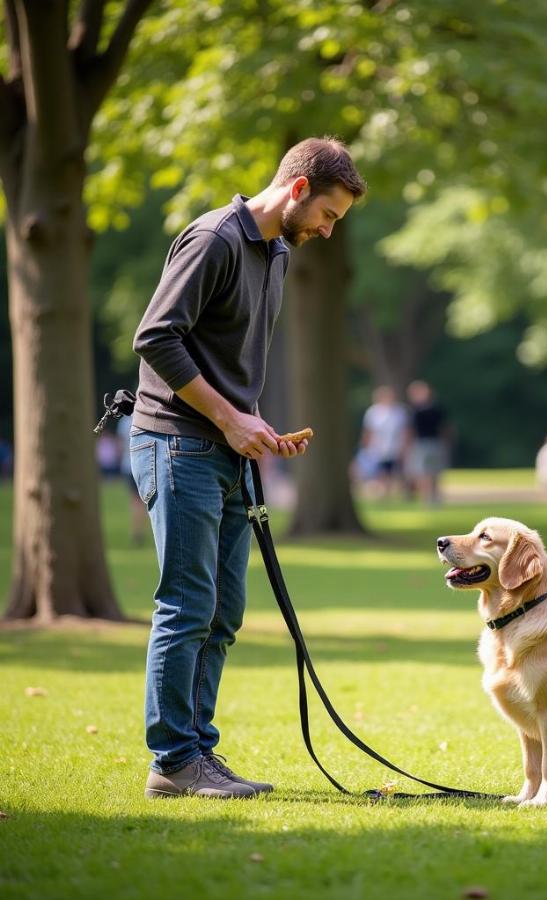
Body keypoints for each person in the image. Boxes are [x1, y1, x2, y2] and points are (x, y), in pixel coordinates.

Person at [130, 137, 366, 800]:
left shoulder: (277, 252)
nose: (327, 228)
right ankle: (173, 759)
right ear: (297, 190)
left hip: (229, 451)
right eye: (329, 214)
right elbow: (156, 337)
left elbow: (229, 360)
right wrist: (230, 419)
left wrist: (255, 427)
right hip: (176, 445)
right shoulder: (214, 240)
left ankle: (198, 751)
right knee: (187, 604)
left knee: (225, 608)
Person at [405, 380, 451, 505]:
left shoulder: (433, 410)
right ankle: (428, 498)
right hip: (422, 444)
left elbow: (444, 428)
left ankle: (433, 498)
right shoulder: (415, 411)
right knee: (425, 473)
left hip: (432, 444)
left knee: (432, 472)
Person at [360, 386, 409, 498]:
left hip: (395, 447)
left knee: (393, 472)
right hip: (377, 448)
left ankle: (392, 493)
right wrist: (366, 446)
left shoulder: (399, 412)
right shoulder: (372, 412)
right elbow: (368, 431)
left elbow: (405, 431)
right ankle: (383, 493)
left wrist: (405, 447)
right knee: (380, 472)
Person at [116, 413, 148, 546]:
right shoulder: (146, 416)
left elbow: (120, 445)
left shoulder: (125, 421)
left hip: (128, 465)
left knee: (135, 501)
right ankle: (140, 532)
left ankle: (137, 531)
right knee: (145, 501)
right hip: (144, 464)